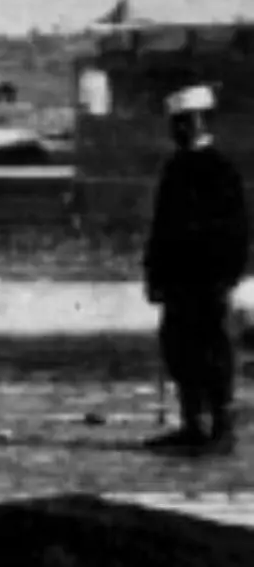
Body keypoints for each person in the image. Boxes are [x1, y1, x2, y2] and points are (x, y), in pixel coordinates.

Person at [143, 83, 249, 455]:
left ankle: (221, 429)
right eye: (177, 122)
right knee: (179, 350)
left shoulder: (220, 170)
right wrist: (154, 276)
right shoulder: (175, 168)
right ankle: (192, 424)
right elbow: (161, 228)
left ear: (203, 122)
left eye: (188, 121)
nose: (181, 128)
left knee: (212, 353)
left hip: (207, 280)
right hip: (177, 282)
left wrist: (225, 276)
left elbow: (236, 231)